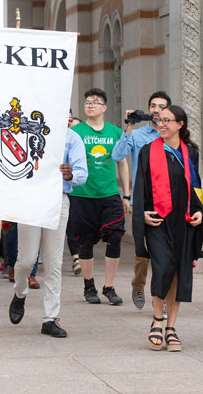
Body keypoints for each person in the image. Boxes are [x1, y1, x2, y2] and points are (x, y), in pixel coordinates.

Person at [132, 105, 203, 352]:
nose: (161, 124)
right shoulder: (147, 151)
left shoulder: (191, 153)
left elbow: (196, 187)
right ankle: (157, 318)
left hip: (183, 222)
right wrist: (141, 214)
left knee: (178, 272)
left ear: (180, 124)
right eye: (159, 120)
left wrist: (199, 211)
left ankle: (171, 327)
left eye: (167, 120)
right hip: (158, 221)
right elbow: (140, 186)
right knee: (162, 268)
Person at [9, 127, 88, 337]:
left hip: (57, 198)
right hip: (30, 199)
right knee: (26, 260)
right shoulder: (24, 130)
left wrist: (70, 174)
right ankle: (20, 293)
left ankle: (50, 318)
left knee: (53, 261)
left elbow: (82, 174)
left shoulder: (71, 137)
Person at [69, 88, 130, 305]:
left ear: (104, 107)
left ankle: (109, 287)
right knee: (86, 241)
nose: (90, 105)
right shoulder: (76, 132)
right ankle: (89, 286)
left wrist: (126, 195)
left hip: (109, 193)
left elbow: (122, 162)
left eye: (95, 102)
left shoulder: (114, 132)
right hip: (82, 194)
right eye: (87, 102)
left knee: (114, 236)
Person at [112, 91, 171, 309]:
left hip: (167, 202)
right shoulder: (137, 136)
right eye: (153, 106)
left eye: (161, 106)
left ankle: (161, 298)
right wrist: (129, 126)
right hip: (142, 202)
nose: (156, 110)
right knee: (143, 253)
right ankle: (138, 285)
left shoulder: (171, 135)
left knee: (163, 254)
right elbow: (117, 156)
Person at [65, 116, 82, 275]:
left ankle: (80, 255)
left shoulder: (77, 142)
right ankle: (75, 257)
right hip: (70, 193)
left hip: (84, 191)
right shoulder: (65, 141)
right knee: (71, 226)